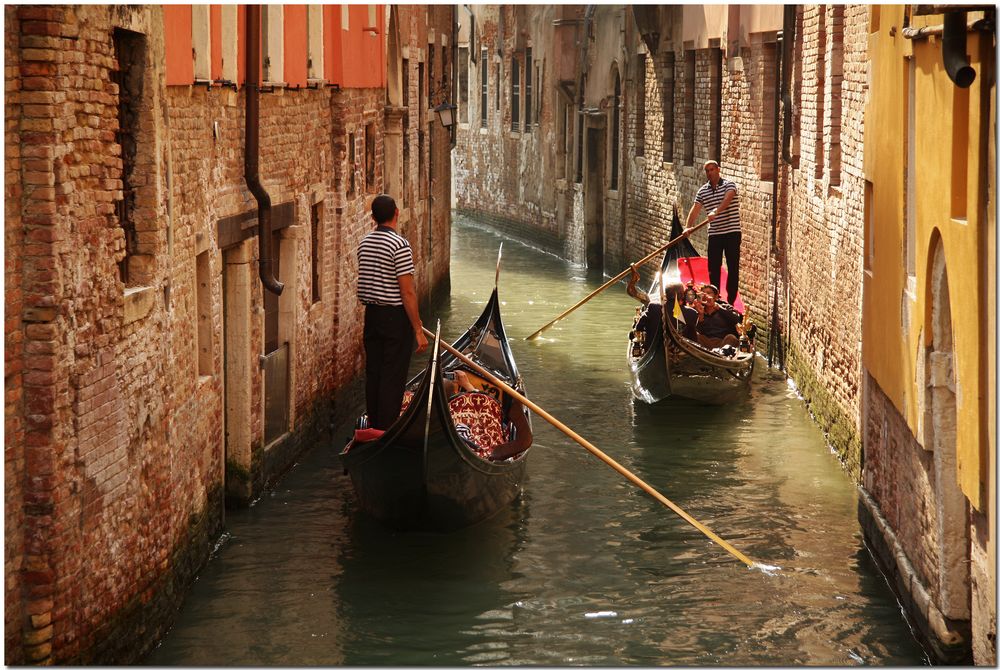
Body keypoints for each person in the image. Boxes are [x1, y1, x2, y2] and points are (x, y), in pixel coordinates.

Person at [357, 194, 428, 430]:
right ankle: (386, 430)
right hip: (395, 318)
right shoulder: (400, 245)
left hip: (372, 316)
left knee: (374, 371)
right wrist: (418, 329)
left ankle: (375, 424)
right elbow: (407, 292)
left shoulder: (364, 243)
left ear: (373, 217)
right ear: (396, 213)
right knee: (392, 374)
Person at [683, 160, 742, 305]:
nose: (709, 173)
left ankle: (731, 301)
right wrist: (687, 227)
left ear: (718, 170)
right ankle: (716, 300)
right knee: (713, 269)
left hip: (732, 232)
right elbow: (695, 209)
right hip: (715, 233)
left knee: (733, 268)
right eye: (707, 171)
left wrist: (716, 211)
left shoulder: (729, 185)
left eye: (712, 170)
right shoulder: (703, 191)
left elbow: (728, 199)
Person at [692, 284, 741, 350]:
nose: (706, 296)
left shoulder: (726, 307)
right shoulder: (697, 309)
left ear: (716, 296)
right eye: (703, 293)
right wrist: (700, 315)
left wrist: (715, 306)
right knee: (696, 336)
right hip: (706, 344)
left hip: (724, 342)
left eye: (709, 293)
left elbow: (736, 320)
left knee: (731, 337)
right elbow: (696, 330)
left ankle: (722, 354)